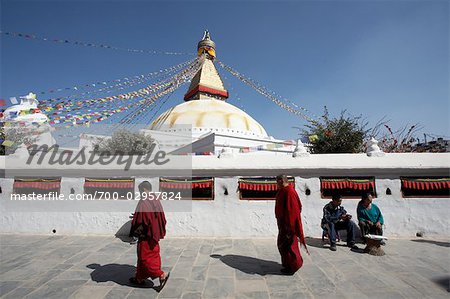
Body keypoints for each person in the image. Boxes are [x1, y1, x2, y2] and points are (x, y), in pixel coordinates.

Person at [129, 181, 170, 291]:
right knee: (151, 255)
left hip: (146, 235)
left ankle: (161, 275)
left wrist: (136, 226)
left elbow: (144, 220)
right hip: (154, 233)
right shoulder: (155, 199)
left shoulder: (144, 201)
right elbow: (156, 216)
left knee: (145, 258)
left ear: (143, 189)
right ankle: (139, 278)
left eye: (140, 190)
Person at [275, 175, 309, 275]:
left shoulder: (289, 192)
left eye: (277, 181)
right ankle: (287, 265)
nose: (276, 184)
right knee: (283, 246)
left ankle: (294, 266)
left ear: (281, 181)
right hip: (283, 225)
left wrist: (290, 228)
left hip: (288, 226)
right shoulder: (283, 190)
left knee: (289, 247)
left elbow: (292, 211)